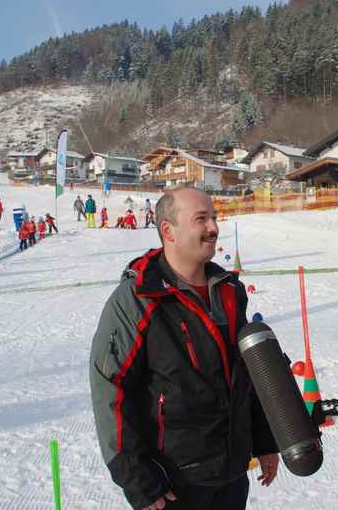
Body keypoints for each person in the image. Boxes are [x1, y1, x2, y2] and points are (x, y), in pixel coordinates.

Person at [90, 187, 279, 510]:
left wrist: (264, 440)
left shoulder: (229, 291)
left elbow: (246, 374)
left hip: (231, 475)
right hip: (173, 484)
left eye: (215, 217)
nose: (213, 227)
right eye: (201, 219)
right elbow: (111, 389)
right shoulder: (138, 299)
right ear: (168, 231)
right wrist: (137, 478)